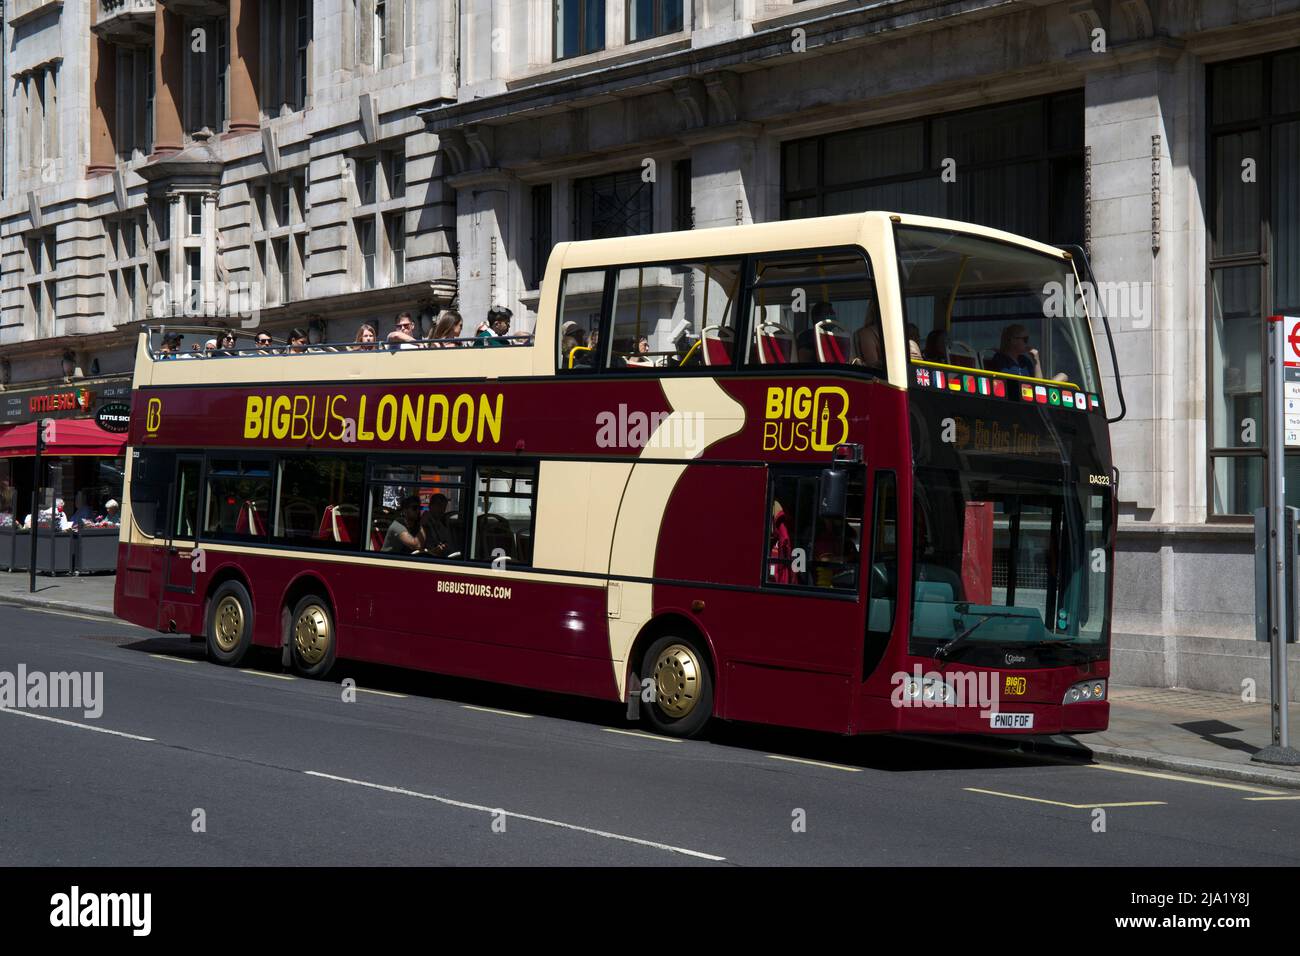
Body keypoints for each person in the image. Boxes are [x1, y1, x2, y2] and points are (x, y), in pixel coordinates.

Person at [418, 493, 457, 557]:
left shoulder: (442, 522)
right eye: (439, 505)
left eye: (444, 507)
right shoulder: (425, 521)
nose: (442, 509)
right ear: (430, 506)